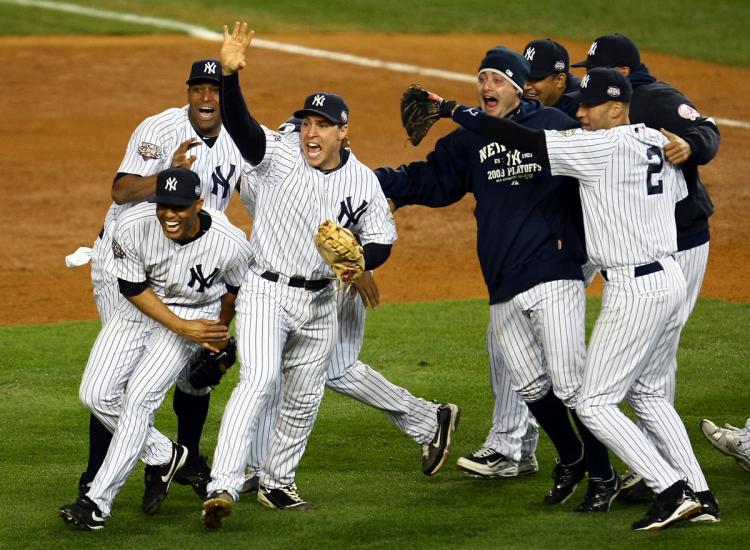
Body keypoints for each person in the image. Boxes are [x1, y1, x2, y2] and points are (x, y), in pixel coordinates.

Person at [437, 66, 718, 530]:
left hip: (635, 287)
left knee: (593, 403)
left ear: (616, 108)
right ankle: (701, 494)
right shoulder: (656, 140)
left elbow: (523, 142)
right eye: (579, 104)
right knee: (646, 392)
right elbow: (680, 198)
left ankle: (670, 489)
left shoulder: (599, 148)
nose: (579, 113)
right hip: (670, 274)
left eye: (588, 106)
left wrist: (455, 111)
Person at [377, 46, 618, 512]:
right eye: (482, 79)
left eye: (497, 80)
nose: (487, 87)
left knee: (571, 386)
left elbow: (596, 175)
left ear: (518, 86)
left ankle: (603, 474)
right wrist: (365, 178)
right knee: (529, 386)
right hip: (503, 282)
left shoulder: (552, 127)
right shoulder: (468, 141)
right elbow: (429, 179)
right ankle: (572, 457)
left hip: (554, 274)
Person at [200, 21, 398, 528]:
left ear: (342, 131)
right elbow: (242, 127)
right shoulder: (279, 154)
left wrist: (359, 258)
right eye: (306, 122)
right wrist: (229, 75)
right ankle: (223, 483)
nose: (311, 132)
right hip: (267, 291)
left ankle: (278, 483)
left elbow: (382, 240)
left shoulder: (364, 181)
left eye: (322, 124)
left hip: (323, 302)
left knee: (304, 396)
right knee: (260, 380)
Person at [239, 120, 459, 493]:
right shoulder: (274, 168)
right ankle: (258, 466)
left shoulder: (346, 174)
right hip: (300, 284)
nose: (306, 138)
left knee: (331, 368)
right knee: (291, 369)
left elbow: (364, 222)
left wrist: (358, 264)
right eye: (301, 131)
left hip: (336, 283)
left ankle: (426, 417)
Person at [72, 58, 250, 507]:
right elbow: (121, 190)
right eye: (198, 89)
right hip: (129, 261)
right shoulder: (159, 128)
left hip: (192, 269)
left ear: (226, 96)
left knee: (198, 373)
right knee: (118, 378)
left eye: (215, 89)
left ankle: (183, 459)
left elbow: (264, 198)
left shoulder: (242, 141)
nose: (207, 98)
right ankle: (108, 471)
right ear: (188, 92)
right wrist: (163, 178)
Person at [58, 167, 252, 530]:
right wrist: (182, 328)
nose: (169, 214)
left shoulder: (231, 243)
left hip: (194, 314)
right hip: (143, 309)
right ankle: (168, 454)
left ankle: (96, 504)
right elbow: (133, 288)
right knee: (95, 394)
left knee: (139, 400)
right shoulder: (133, 225)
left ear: (198, 203)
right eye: (164, 205)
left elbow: (237, 290)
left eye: (179, 207)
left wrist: (218, 335)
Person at [570, 33, 720, 502]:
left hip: (678, 243)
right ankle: (684, 483)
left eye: (595, 73)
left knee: (643, 374)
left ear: (625, 79)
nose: (583, 84)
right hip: (645, 242)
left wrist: (691, 147)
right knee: (645, 379)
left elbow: (709, 131)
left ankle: (665, 476)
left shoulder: (657, 99)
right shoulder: (604, 109)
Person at [522, 38, 581, 118]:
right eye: (523, 76)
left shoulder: (581, 107)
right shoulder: (515, 92)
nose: (525, 86)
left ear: (559, 80)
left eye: (535, 79)